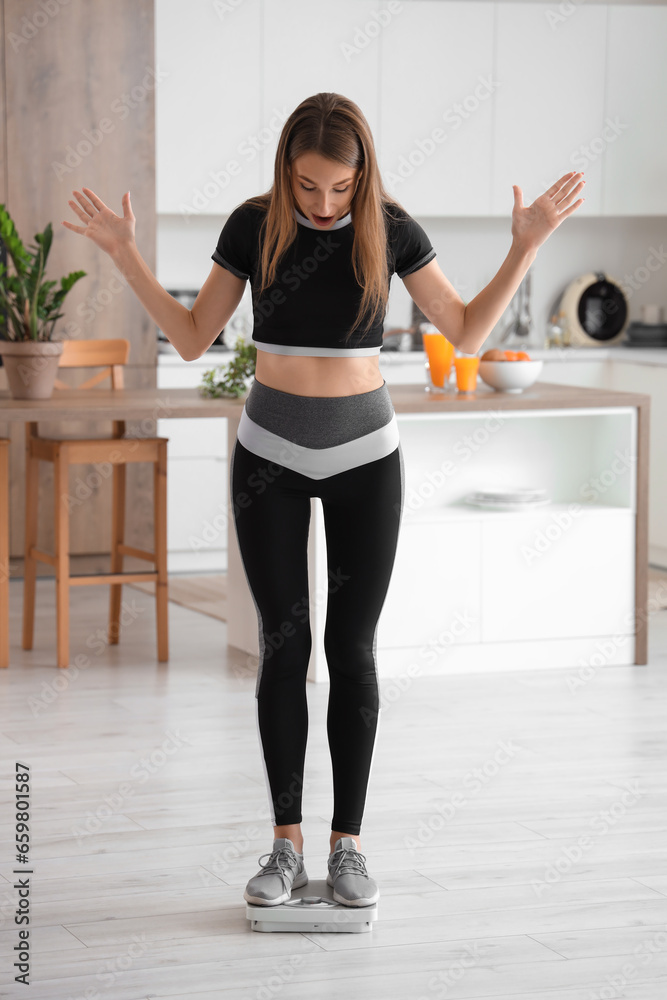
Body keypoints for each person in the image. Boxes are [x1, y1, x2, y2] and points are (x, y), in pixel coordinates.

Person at [63, 91, 584, 909]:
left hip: (364, 458)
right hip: (267, 453)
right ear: (286, 169)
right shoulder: (253, 225)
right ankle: (282, 846)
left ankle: (347, 848)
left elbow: (468, 331)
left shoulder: (393, 228)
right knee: (283, 649)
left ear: (361, 174)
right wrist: (127, 255)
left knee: (353, 651)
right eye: (308, 186)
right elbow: (195, 337)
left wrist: (526, 245)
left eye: (339, 188)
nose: (323, 203)